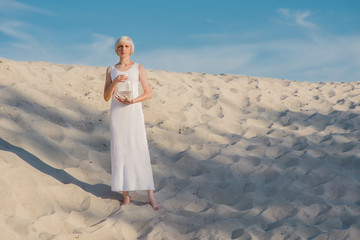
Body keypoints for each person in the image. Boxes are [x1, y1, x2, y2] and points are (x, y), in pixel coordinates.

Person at [103, 36, 161, 210]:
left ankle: (150, 196)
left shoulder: (138, 68)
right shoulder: (110, 69)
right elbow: (106, 97)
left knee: (139, 149)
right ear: (116, 49)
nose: (123, 49)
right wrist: (115, 81)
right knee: (120, 150)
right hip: (117, 114)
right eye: (120, 46)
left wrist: (133, 101)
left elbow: (148, 93)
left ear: (131, 49)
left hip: (133, 112)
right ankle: (126, 196)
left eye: (127, 46)